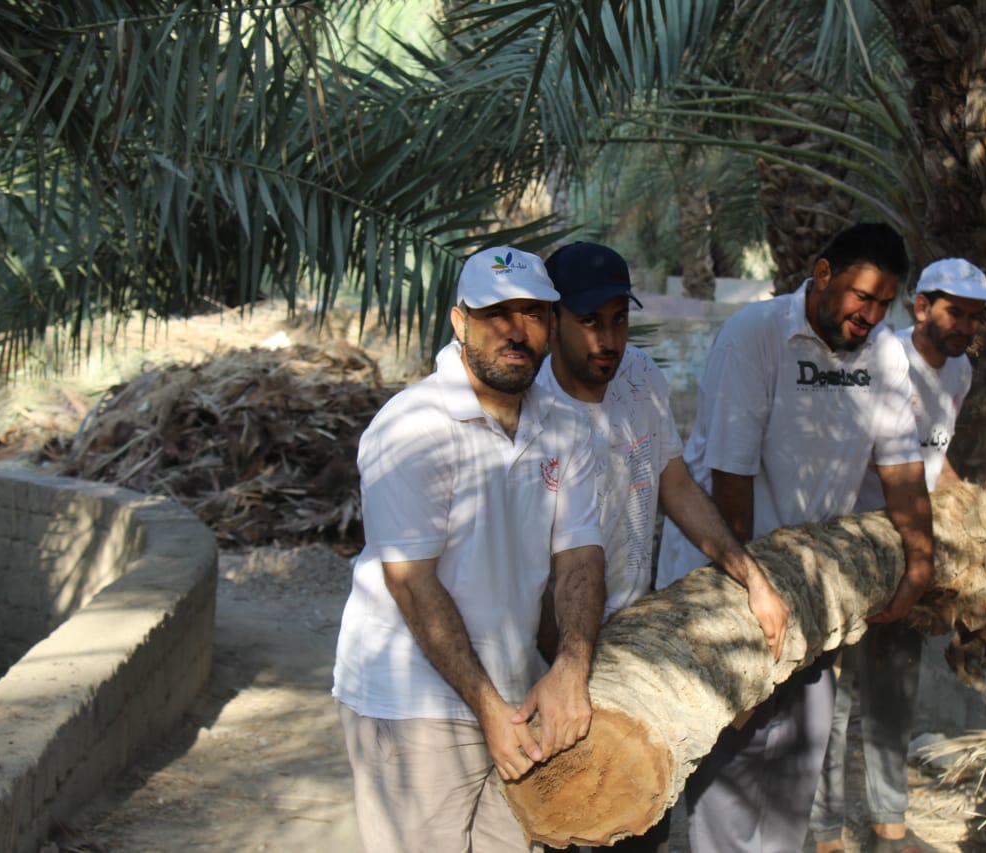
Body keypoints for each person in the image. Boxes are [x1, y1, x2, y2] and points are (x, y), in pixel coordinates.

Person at [656, 223, 936, 853]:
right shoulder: (755, 335)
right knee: (732, 777)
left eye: (884, 303)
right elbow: (732, 479)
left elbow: (902, 469)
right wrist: (747, 595)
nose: (871, 316)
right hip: (725, 580)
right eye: (862, 297)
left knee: (795, 773)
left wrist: (920, 562)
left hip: (812, 596)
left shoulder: (885, 355)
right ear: (823, 274)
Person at [332, 246, 607, 853]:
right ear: (460, 322)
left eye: (532, 313)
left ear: (552, 322)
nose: (516, 331)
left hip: (519, 693)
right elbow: (411, 581)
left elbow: (580, 558)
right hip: (413, 702)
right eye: (495, 313)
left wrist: (569, 668)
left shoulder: (567, 426)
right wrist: (487, 709)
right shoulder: (413, 426)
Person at [536, 241, 790, 853]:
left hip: (630, 637)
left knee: (642, 820)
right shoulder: (529, 404)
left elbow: (676, 485)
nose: (608, 340)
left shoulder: (641, 377)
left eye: (619, 319)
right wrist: (563, 665)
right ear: (551, 319)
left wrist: (751, 576)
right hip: (545, 651)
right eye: (590, 321)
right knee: (560, 822)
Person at [809, 258, 986, 853]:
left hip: (909, 552)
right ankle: (824, 836)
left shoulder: (960, 371)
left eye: (975, 316)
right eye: (955, 312)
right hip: (850, 550)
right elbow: (854, 451)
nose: (966, 326)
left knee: (893, 694)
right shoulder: (881, 357)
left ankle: (887, 830)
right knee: (831, 700)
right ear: (921, 307)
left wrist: (981, 516)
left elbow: (932, 463)